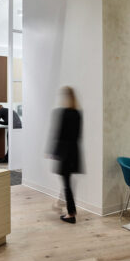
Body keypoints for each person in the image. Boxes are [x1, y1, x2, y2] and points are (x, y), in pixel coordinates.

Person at [49, 87, 82, 224]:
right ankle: (66, 207)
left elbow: (59, 134)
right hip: (74, 152)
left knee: (67, 183)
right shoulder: (78, 113)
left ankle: (70, 213)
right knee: (67, 182)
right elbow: (78, 135)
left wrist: (53, 151)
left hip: (64, 153)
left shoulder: (64, 113)